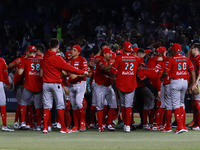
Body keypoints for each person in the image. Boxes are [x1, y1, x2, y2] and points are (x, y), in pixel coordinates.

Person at [41, 38, 88, 134]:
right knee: (61, 105)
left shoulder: (45, 55)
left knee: (47, 106)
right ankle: (63, 128)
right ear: (58, 46)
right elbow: (70, 68)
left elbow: (48, 53)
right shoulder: (57, 58)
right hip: (55, 84)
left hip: (45, 84)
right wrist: (82, 72)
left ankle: (45, 128)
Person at [160, 43, 196, 134]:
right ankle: (183, 126)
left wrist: (162, 77)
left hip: (175, 81)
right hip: (184, 82)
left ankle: (180, 127)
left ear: (175, 50)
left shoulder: (172, 59)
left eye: (172, 49)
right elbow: (192, 71)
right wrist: (194, 83)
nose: (171, 50)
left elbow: (165, 72)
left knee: (175, 104)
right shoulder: (186, 59)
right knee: (181, 103)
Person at [110, 42, 140, 132]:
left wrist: (115, 76)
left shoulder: (119, 58)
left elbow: (112, 71)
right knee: (128, 105)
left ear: (123, 49)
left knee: (122, 104)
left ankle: (125, 124)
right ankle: (127, 125)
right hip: (131, 83)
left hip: (120, 83)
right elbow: (138, 71)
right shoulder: (137, 58)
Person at [17, 46, 43, 131]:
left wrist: (17, 69)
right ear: (35, 52)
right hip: (38, 86)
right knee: (38, 106)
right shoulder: (41, 59)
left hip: (28, 86)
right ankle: (38, 125)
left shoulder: (25, 60)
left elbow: (20, 73)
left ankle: (23, 122)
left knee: (23, 103)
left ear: (28, 52)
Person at [66, 44, 88, 132]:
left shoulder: (82, 60)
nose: (72, 51)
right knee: (73, 105)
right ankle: (75, 125)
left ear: (79, 52)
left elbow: (85, 73)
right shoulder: (68, 61)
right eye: (72, 49)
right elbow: (66, 72)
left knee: (79, 103)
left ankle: (82, 123)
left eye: (74, 50)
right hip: (71, 84)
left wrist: (77, 75)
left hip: (80, 83)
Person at [95, 47, 117, 132]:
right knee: (100, 106)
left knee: (113, 105)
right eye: (109, 53)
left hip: (108, 86)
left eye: (111, 53)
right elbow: (104, 68)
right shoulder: (100, 60)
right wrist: (113, 65)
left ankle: (109, 123)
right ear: (104, 54)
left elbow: (112, 73)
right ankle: (100, 125)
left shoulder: (110, 62)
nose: (110, 55)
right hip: (100, 86)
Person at [0, 56, 14, 131]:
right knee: (2, 104)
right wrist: (7, 83)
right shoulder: (1, 60)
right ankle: (4, 125)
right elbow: (5, 73)